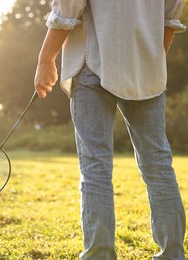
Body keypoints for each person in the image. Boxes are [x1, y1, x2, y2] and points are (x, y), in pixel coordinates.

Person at [34, 1, 186, 259]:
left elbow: (68, 8)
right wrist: (148, 61)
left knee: (95, 165)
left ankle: (99, 255)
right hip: (146, 66)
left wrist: (45, 59)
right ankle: (173, 253)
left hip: (94, 63)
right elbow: (171, 15)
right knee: (158, 162)